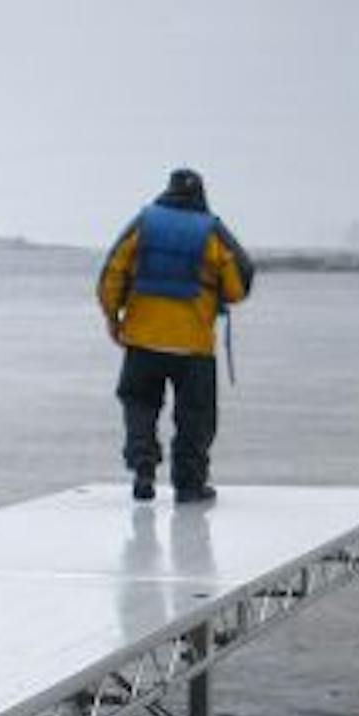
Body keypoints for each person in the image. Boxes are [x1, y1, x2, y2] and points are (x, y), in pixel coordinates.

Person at [96, 168, 254, 505]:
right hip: (193, 346)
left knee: (139, 404)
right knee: (195, 418)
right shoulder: (212, 230)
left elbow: (111, 273)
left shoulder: (144, 222)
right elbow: (239, 283)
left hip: (142, 340)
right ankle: (189, 486)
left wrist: (113, 317)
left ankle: (143, 468)